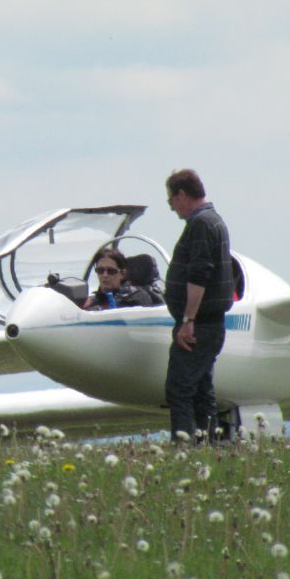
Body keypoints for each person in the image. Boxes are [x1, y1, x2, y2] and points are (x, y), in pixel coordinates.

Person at [163, 169, 234, 443]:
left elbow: (200, 273)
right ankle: (211, 444)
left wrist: (188, 319)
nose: (172, 208)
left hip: (200, 324)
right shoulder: (213, 221)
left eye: (171, 202)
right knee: (202, 389)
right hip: (209, 324)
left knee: (179, 388)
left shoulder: (201, 224)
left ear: (182, 195)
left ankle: (184, 445)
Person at [83, 248, 156, 311]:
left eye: (111, 271)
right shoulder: (91, 302)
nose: (104, 275)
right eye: (100, 270)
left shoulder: (137, 298)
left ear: (122, 274)